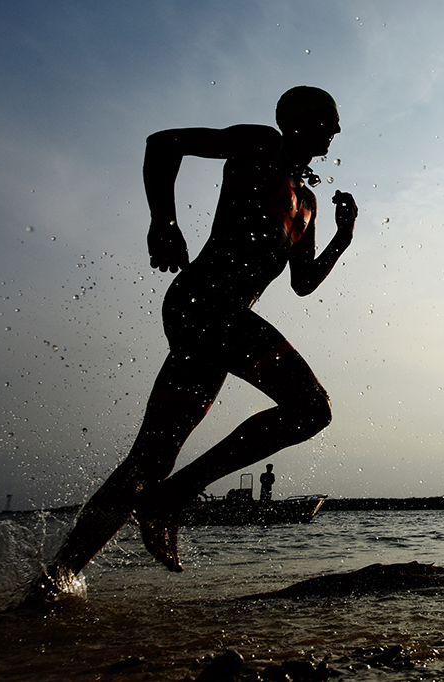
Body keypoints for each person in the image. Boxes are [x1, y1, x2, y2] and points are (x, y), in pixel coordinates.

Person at [26, 86, 357, 602]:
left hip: (218, 321)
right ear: (296, 121)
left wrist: (343, 237)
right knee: (311, 408)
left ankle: (53, 582)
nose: (335, 130)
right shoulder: (262, 145)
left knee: (150, 460)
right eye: (326, 119)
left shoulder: (308, 204)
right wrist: (164, 221)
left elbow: (303, 281)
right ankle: (172, 498)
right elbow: (164, 143)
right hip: (203, 304)